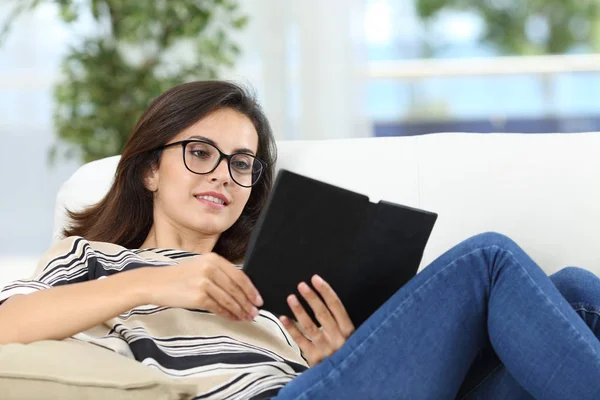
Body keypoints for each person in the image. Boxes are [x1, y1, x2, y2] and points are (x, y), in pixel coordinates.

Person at [0, 81, 599, 400]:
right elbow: (8, 325)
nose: (222, 175)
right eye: (200, 153)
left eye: (242, 164)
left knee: (572, 290)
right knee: (486, 260)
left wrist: (340, 356)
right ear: (150, 169)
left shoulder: (270, 282)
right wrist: (158, 280)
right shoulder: (98, 261)